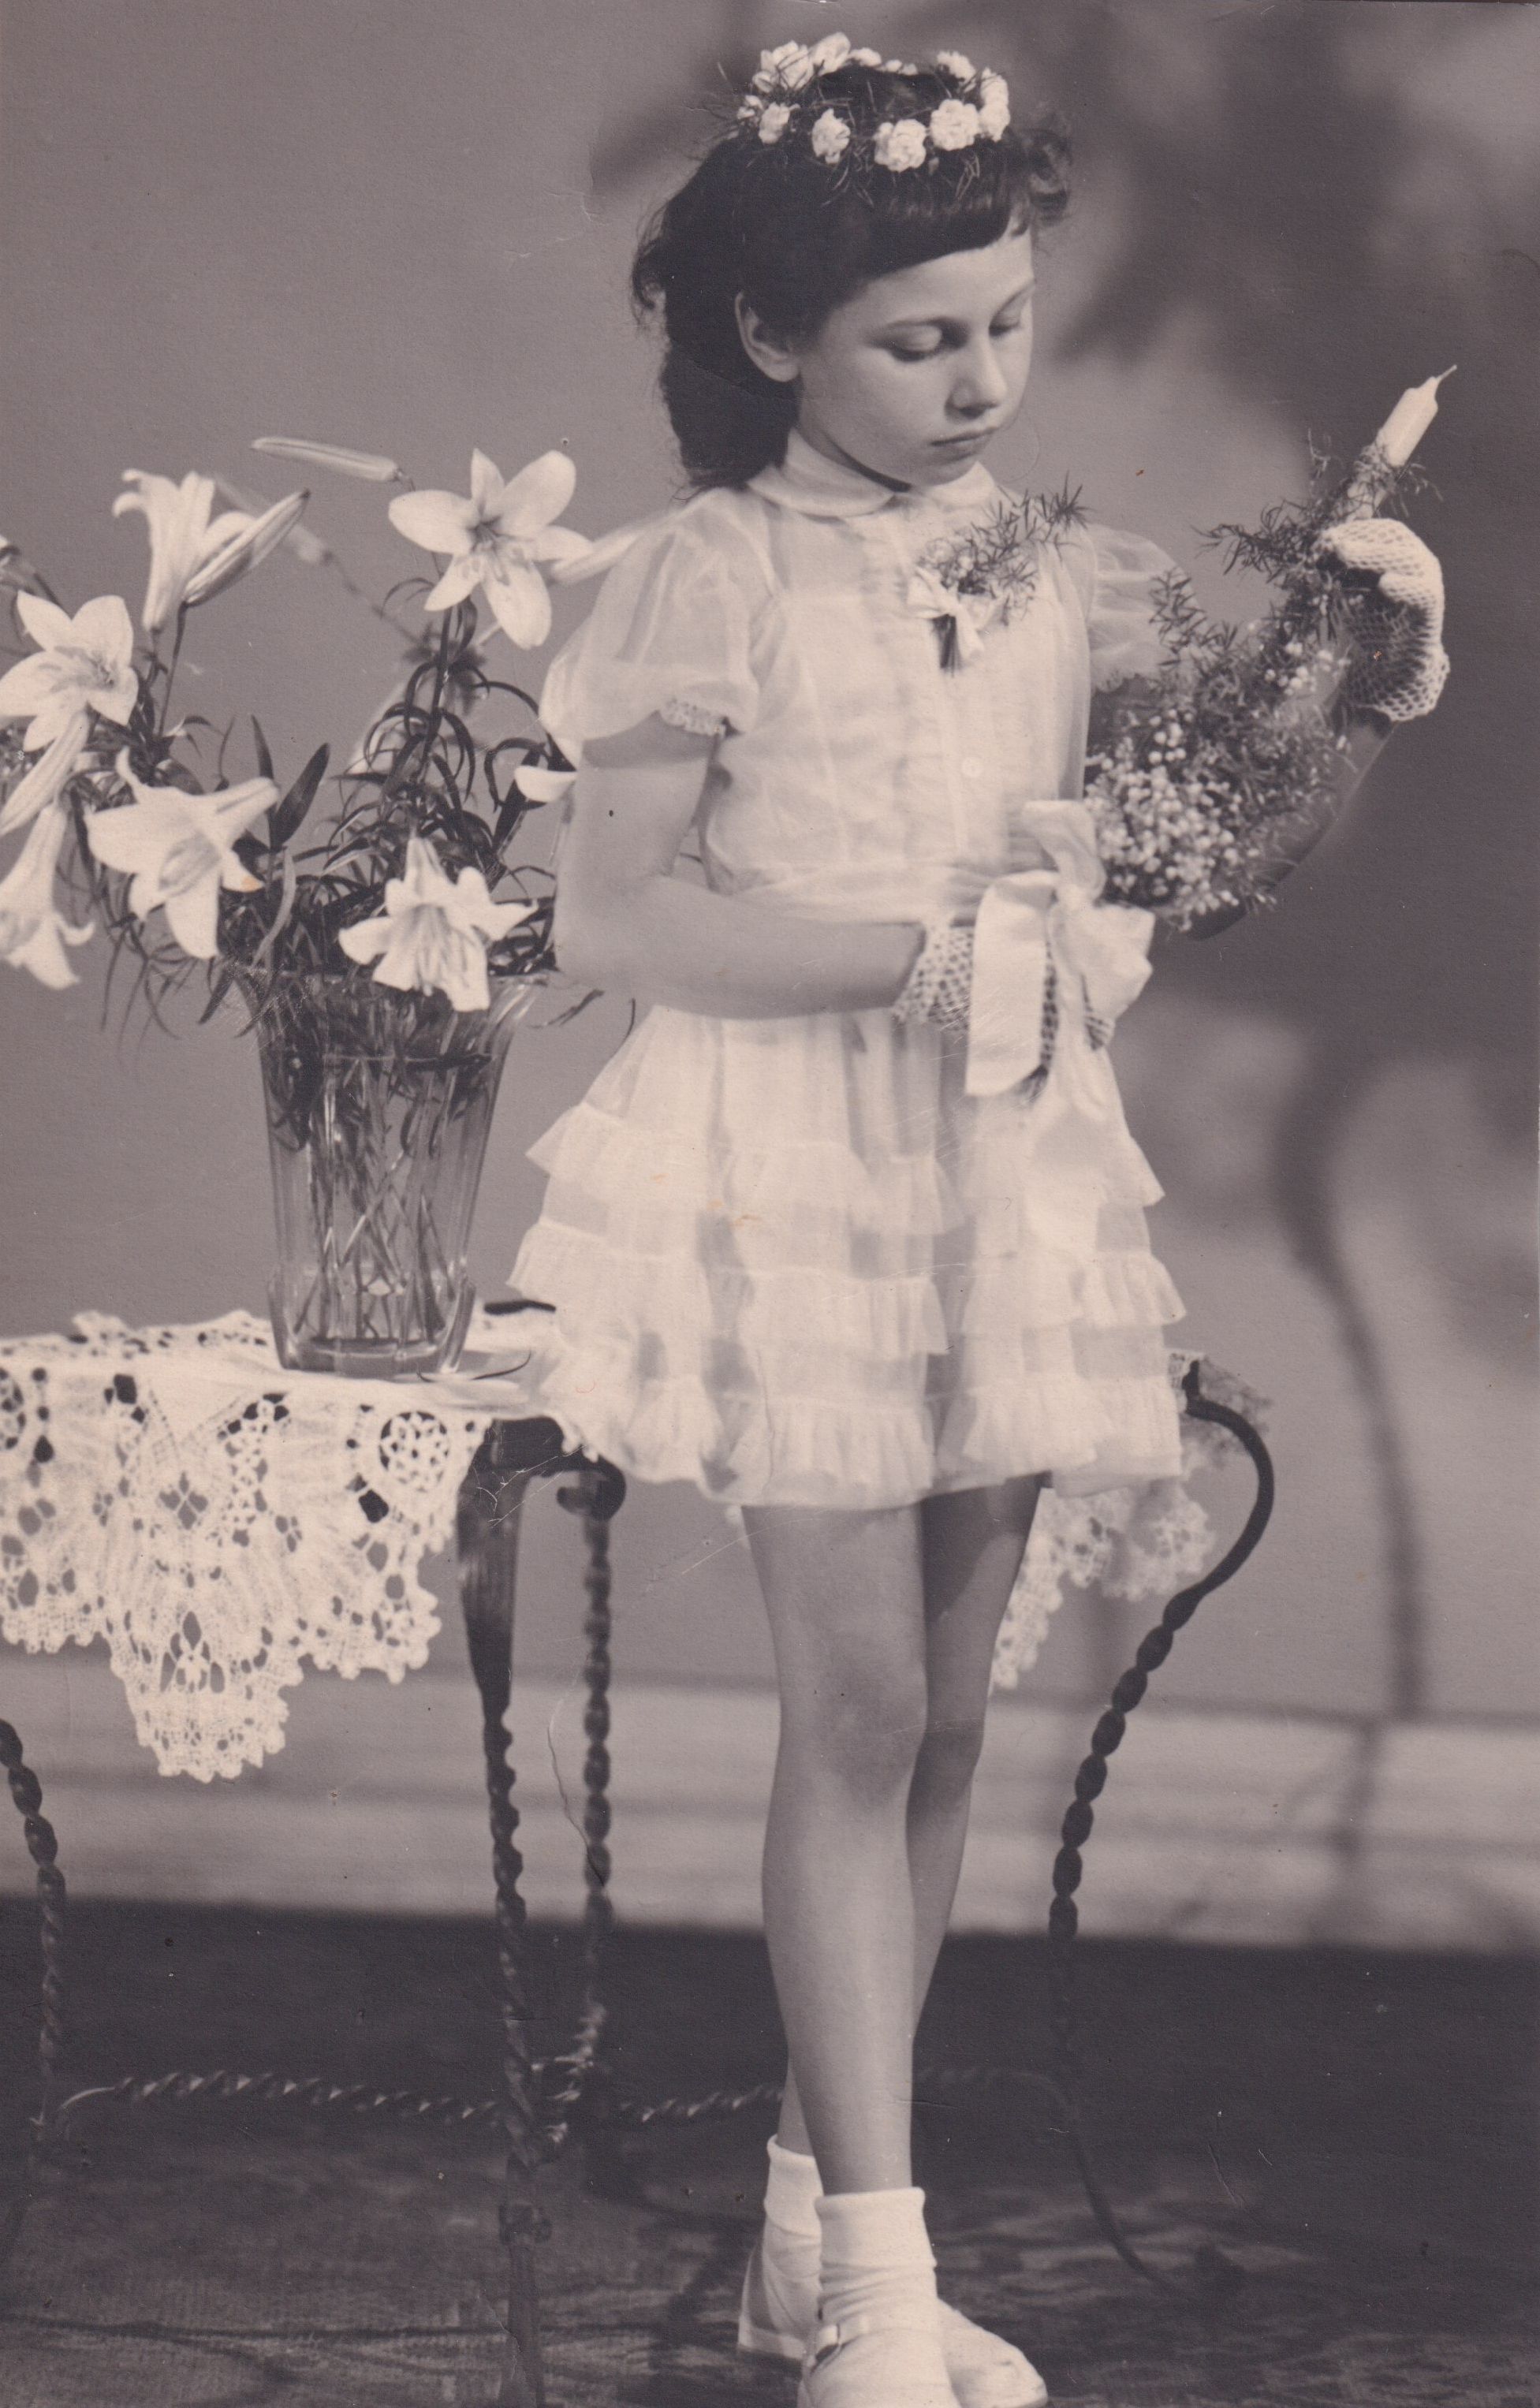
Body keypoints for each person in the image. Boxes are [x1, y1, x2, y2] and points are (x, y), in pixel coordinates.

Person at [508, 39, 1448, 2408]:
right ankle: (880, 2296)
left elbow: (1200, 841)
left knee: (938, 1726)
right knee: (849, 1711)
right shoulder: (706, 580)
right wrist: (912, 959)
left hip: (998, 1167)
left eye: (1007, 324)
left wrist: (1359, 678)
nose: (982, 382)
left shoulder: (1052, 570)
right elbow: (620, 918)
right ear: (767, 337)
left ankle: (810, 2236)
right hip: (796, 1162)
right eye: (920, 340)